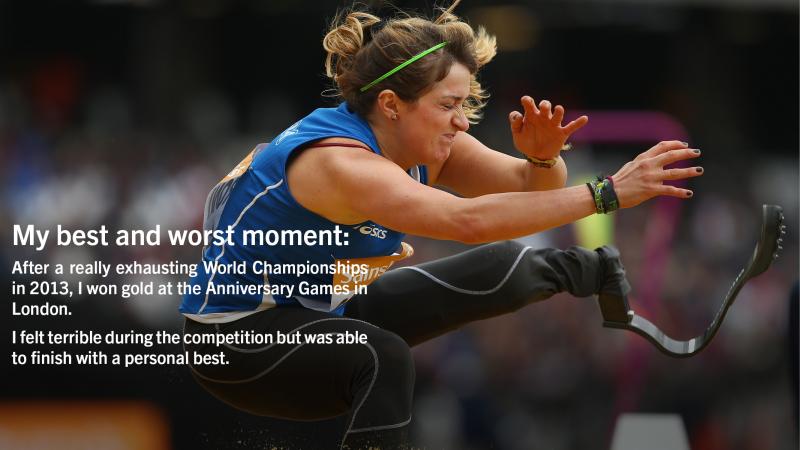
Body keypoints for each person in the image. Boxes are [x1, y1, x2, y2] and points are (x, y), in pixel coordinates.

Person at [179, 2, 703, 448]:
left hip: (315, 307)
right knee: (380, 355)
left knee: (502, 265)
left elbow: (529, 188)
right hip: (235, 342)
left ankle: (581, 272)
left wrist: (544, 158)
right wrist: (607, 193)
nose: (462, 120)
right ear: (391, 106)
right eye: (450, 105)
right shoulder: (340, 162)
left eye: (466, 105)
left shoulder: (419, 141)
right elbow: (467, 220)